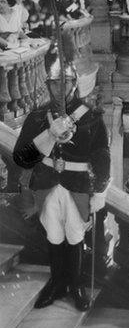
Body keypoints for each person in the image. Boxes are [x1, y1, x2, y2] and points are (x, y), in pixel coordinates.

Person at [13, 41, 110, 312]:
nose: (60, 88)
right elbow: (22, 157)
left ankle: (75, 285)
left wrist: (100, 191)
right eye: (55, 83)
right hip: (45, 184)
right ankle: (56, 283)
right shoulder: (36, 117)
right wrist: (49, 134)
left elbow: (102, 156)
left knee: (74, 235)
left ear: (74, 84)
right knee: (53, 235)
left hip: (78, 186)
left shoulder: (90, 117)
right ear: (48, 85)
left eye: (66, 83)